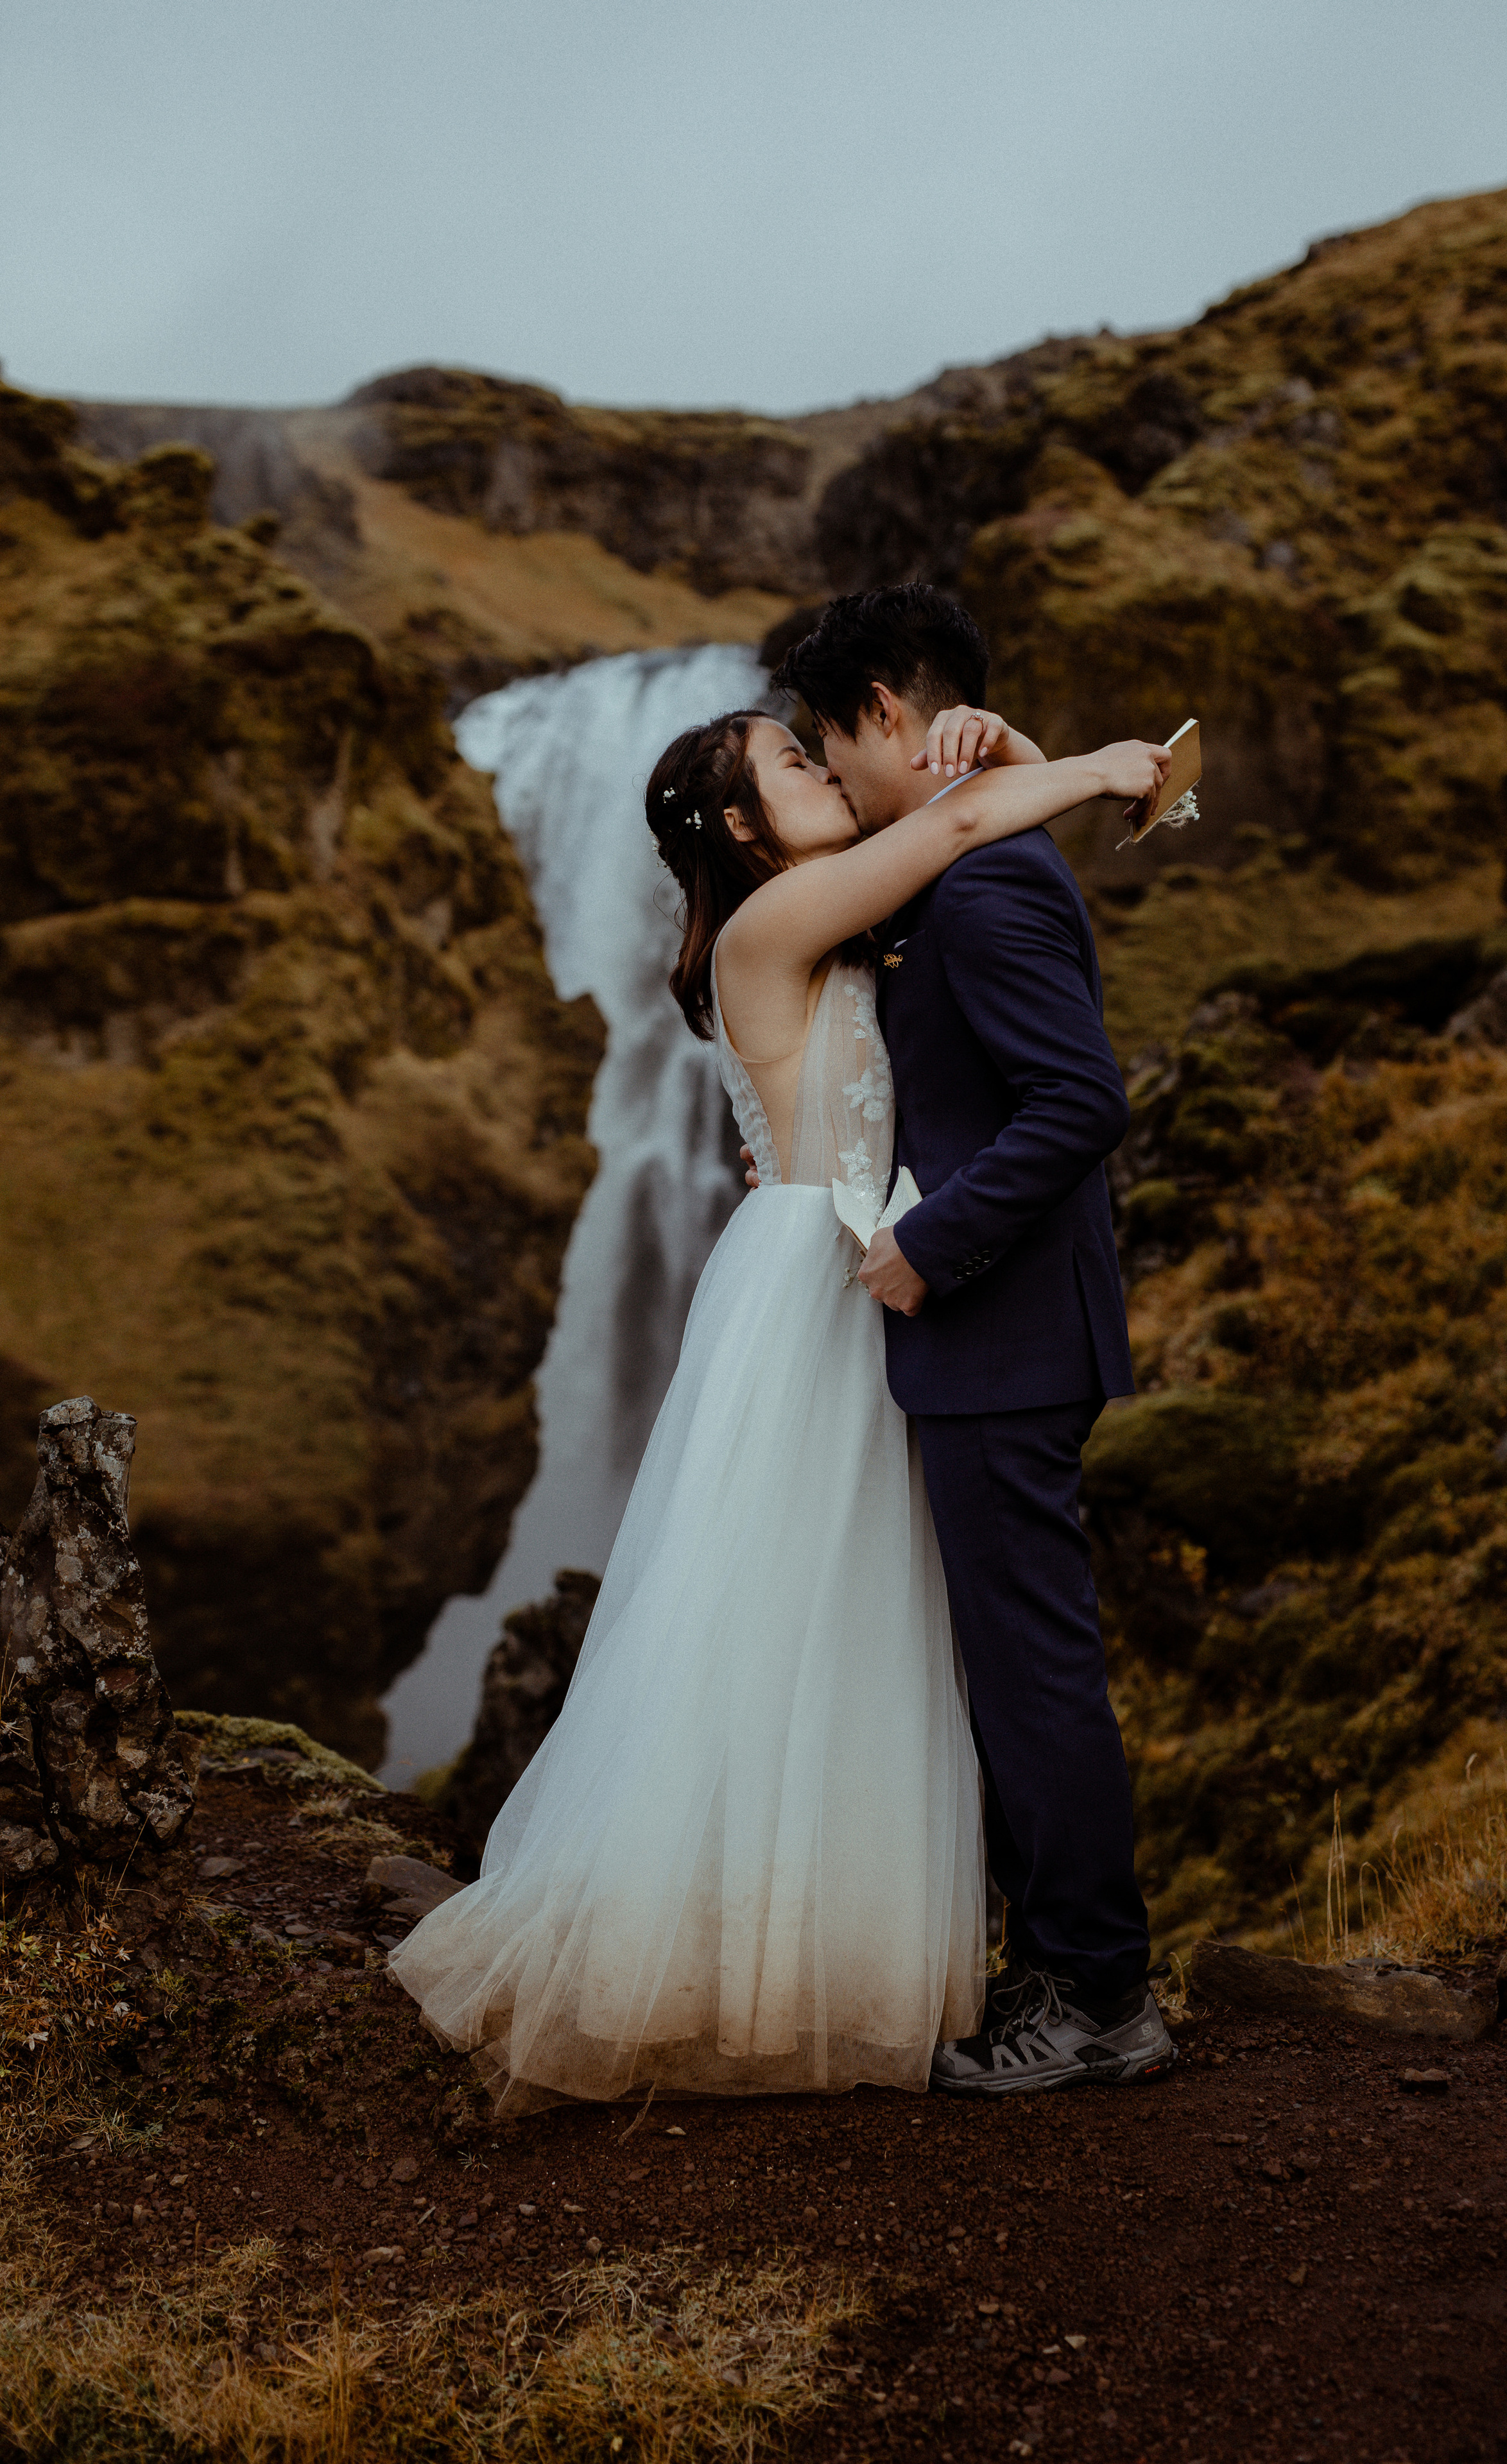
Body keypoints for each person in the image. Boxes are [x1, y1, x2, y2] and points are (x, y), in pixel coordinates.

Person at [388, 682, 1168, 2110]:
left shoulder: (843, 922)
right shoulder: (771, 927)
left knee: (862, 1621)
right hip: (819, 1290)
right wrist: (1101, 764)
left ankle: (845, 1956)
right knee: (774, 1613)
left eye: (817, 748)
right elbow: (964, 824)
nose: (822, 770)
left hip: (857, 1269)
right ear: (744, 828)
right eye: (791, 763)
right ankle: (730, 1960)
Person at [770, 584, 1175, 2096]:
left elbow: (1080, 1101)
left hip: (1000, 1333)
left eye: (826, 738)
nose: (828, 768)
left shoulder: (986, 884)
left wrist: (927, 1246)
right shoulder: (960, 859)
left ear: (882, 709)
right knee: (1011, 1664)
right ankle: (1058, 1968)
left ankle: (1098, 1994)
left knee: (1031, 1671)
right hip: (995, 1338)